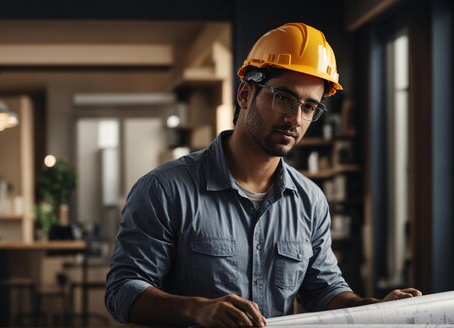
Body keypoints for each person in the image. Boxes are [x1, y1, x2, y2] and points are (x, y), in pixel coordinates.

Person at [105, 22, 421, 327]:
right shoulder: (165, 189)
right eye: (283, 97)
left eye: (309, 107)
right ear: (245, 95)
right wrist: (196, 310)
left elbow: (323, 291)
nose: (295, 119)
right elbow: (122, 292)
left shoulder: (309, 201)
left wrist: (370, 308)